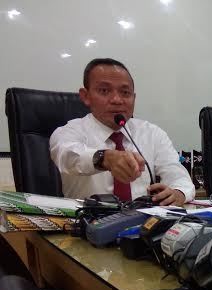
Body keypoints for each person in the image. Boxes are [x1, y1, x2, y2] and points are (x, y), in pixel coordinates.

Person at [50, 58, 195, 205]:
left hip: (144, 217)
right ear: (86, 96)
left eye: (125, 92)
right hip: (85, 217)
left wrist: (178, 193)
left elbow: (178, 176)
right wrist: (106, 158)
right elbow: (68, 156)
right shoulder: (68, 132)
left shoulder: (152, 133)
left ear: (134, 98)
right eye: (104, 91)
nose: (117, 100)